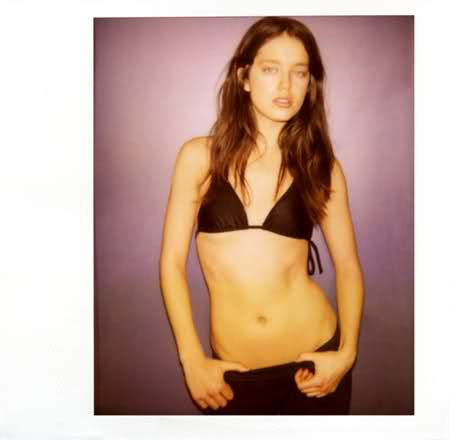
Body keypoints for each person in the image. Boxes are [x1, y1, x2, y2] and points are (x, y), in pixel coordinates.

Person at [159, 16, 364, 415]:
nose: (286, 86)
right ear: (244, 77)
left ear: (310, 83)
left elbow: (349, 268)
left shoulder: (322, 167)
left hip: (314, 367)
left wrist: (347, 352)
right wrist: (192, 359)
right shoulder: (199, 157)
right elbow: (171, 264)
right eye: (271, 69)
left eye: (299, 72)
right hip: (233, 377)